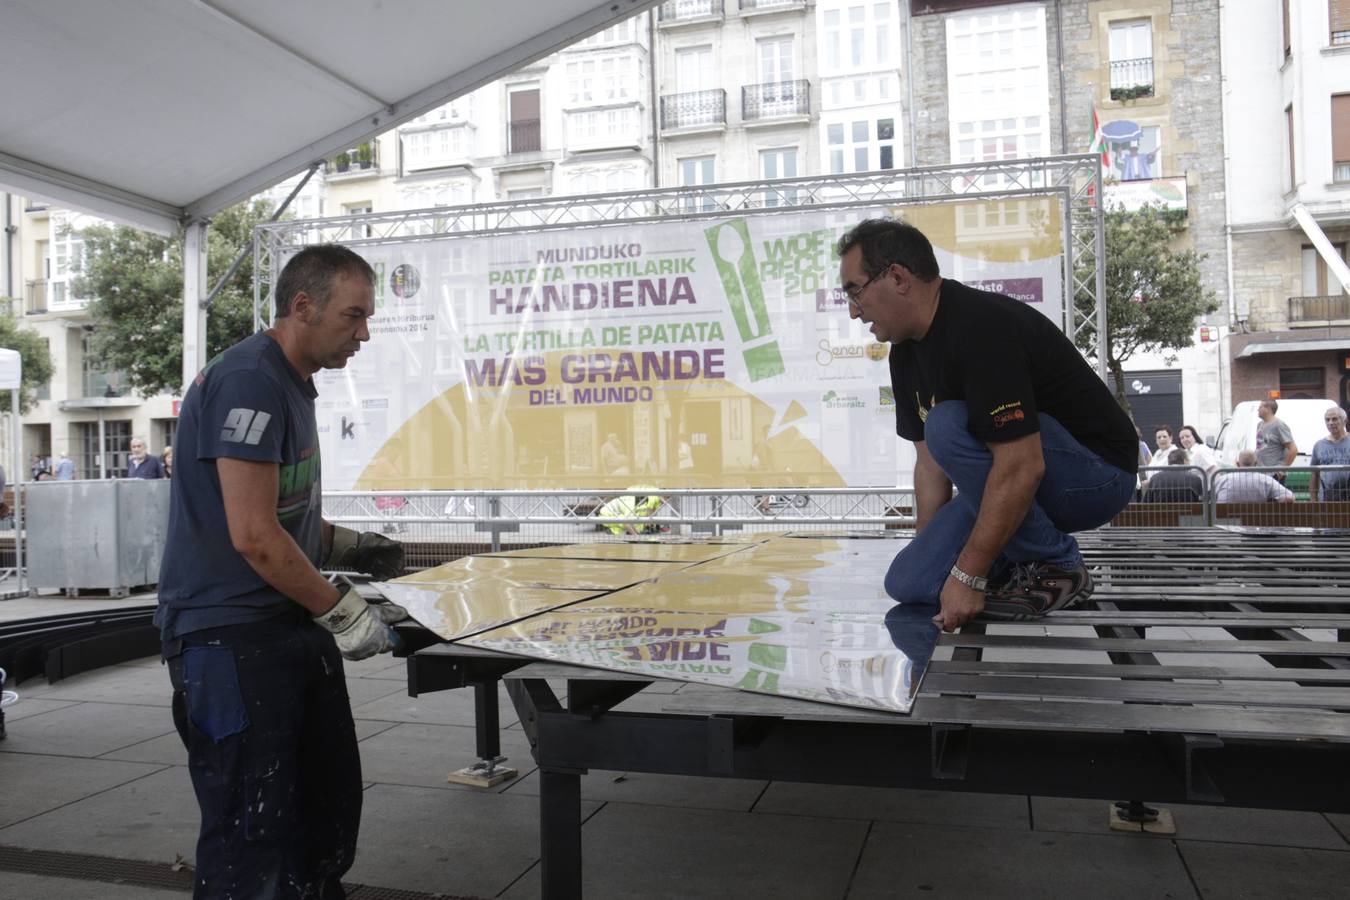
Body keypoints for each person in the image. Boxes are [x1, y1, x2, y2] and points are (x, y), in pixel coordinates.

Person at [155, 244, 409, 899]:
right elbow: (255, 536)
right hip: (230, 638)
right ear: (302, 306)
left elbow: (284, 520)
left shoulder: (292, 386)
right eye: (353, 316)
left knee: (323, 813)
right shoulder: (250, 381)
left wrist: (353, 547)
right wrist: (344, 609)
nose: (365, 333)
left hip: (283, 625)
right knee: (252, 835)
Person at [837, 218, 1137, 632]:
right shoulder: (903, 353)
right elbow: (930, 468)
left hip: (1097, 476)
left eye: (855, 290)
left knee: (946, 424)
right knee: (910, 580)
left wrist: (967, 574)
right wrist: (940, 556)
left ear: (898, 278)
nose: (853, 310)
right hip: (1021, 473)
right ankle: (1021, 566)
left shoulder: (980, 326)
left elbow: (1022, 464)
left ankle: (1058, 564)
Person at [1213, 450, 1295, 503]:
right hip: (1255, 525)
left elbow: (1210, 498)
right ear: (1256, 464)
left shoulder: (1223, 479)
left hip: (1225, 523)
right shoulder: (1265, 480)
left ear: (1238, 464)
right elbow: (1290, 497)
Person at [1310, 406, 1350, 501]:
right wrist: (1313, 500)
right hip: (1327, 497)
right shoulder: (1319, 445)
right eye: (1327, 420)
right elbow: (1314, 474)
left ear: (1344, 421)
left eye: (1334, 419)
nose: (1330, 423)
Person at [1255, 399, 1297, 481]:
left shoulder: (1279, 425)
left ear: (1268, 409)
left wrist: (1281, 470)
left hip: (1273, 474)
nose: (1258, 409)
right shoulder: (1259, 425)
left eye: (1260, 407)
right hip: (1260, 473)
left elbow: (1293, 449)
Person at [597, 488, 665, 535]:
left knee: (629, 523)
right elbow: (626, 522)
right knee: (626, 522)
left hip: (610, 514)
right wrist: (636, 537)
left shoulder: (634, 500)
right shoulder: (630, 505)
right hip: (606, 515)